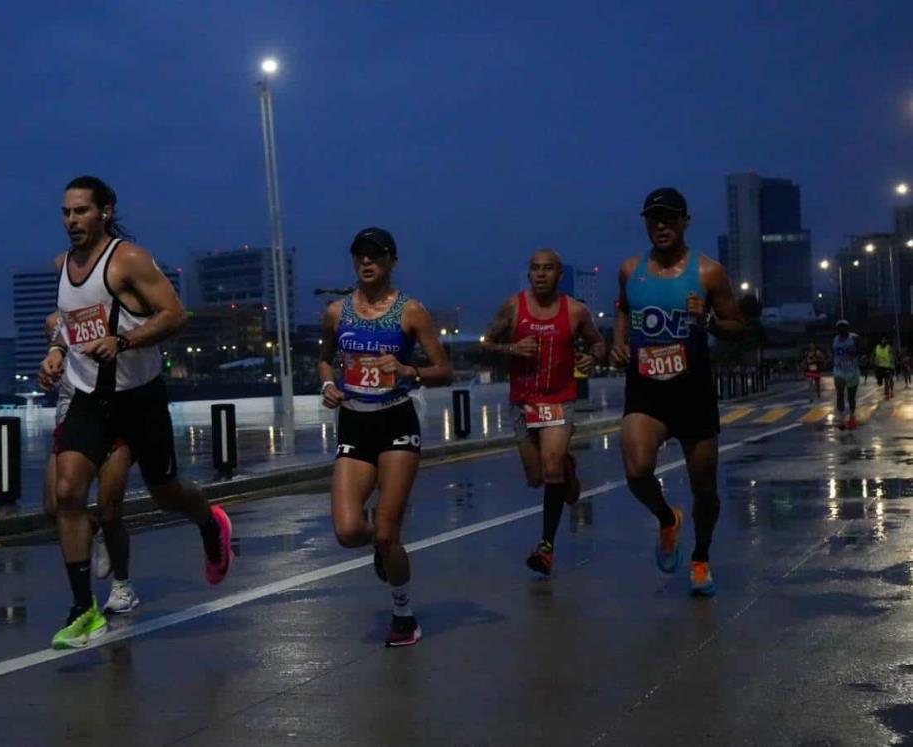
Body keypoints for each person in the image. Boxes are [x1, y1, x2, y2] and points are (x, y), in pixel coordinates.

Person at [39, 176, 232, 650]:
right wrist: (55, 353)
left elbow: (174, 314)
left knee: (166, 493)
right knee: (66, 492)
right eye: (66, 212)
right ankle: (84, 609)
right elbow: (66, 325)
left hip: (139, 398)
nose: (71, 221)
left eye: (81, 211)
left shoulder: (128, 260)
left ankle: (210, 522)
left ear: (105, 211)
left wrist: (123, 340)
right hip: (89, 399)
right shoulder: (62, 266)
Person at [317, 227, 452, 647]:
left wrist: (410, 371)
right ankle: (380, 541)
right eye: (360, 255)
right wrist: (327, 386)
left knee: (387, 533)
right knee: (348, 530)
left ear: (392, 261)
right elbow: (324, 360)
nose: (367, 262)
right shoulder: (337, 313)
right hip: (355, 423)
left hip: (396, 421)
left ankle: (403, 613)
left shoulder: (411, 312)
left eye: (376, 255)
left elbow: (444, 370)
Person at [610, 188, 743, 597]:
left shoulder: (708, 273)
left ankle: (701, 557)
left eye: (669, 218)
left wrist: (707, 321)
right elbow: (623, 310)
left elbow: (736, 328)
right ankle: (667, 519)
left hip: (693, 392)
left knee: (704, 488)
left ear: (686, 222)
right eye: (653, 218)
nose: (661, 225)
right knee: (636, 470)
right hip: (646, 390)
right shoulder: (632, 269)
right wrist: (618, 344)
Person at [481, 249, 605, 576]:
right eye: (535, 269)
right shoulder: (513, 306)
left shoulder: (576, 311)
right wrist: (512, 348)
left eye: (547, 269)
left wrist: (592, 358)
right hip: (523, 402)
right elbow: (485, 343)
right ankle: (567, 464)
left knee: (550, 469)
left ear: (559, 275)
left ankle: (546, 547)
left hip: (559, 399)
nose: (540, 275)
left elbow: (598, 344)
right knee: (536, 477)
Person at [41, 312, 139, 615]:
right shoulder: (55, 322)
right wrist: (50, 366)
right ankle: (91, 530)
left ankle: (123, 586)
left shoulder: (123, 312)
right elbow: (61, 358)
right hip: (73, 416)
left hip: (118, 415)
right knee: (55, 506)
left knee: (110, 510)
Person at [832, 320, 862, 429]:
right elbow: (833, 353)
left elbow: (862, 349)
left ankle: (852, 416)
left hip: (852, 371)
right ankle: (841, 418)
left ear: (848, 329)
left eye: (843, 328)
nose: (841, 330)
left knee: (851, 397)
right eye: (839, 328)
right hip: (839, 371)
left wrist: (854, 352)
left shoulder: (854, 338)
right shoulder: (835, 340)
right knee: (840, 394)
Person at [874, 336, 895, 400]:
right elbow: (874, 356)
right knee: (880, 383)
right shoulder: (877, 347)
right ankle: (880, 381)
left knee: (888, 380)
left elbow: (892, 356)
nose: (884, 341)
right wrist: (874, 363)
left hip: (888, 366)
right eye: (883, 340)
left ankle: (889, 393)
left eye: (885, 340)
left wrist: (892, 365)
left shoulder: (889, 347)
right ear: (880, 341)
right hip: (879, 367)